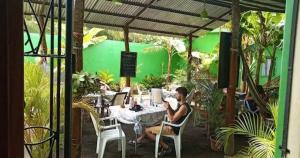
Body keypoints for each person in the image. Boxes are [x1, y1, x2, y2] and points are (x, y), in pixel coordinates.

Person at [129, 87, 191, 156]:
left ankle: (166, 147)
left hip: (172, 128)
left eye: (176, 94)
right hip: (172, 126)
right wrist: (169, 106)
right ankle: (139, 140)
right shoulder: (182, 105)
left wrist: (167, 108)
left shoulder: (183, 107)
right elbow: (174, 113)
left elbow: (172, 119)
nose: (175, 96)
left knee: (147, 130)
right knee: (150, 126)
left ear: (181, 95)